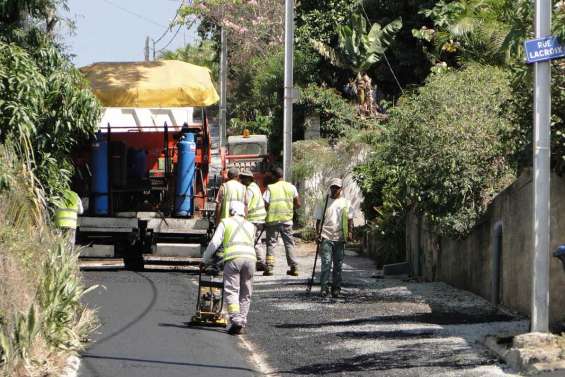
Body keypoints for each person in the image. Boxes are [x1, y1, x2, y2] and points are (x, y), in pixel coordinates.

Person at [202, 202, 256, 335]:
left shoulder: (225, 223)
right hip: (250, 260)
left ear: (231, 211)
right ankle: (242, 320)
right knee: (246, 292)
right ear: (243, 212)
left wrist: (205, 260)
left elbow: (215, 243)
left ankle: (236, 320)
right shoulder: (250, 225)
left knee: (232, 290)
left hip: (233, 259)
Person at [314, 178, 353, 298]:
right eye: (333, 187)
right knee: (326, 263)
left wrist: (350, 232)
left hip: (340, 237)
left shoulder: (346, 203)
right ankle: (324, 288)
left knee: (338, 265)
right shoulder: (323, 202)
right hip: (326, 236)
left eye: (337, 187)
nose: (335, 189)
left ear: (341, 189)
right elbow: (318, 220)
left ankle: (336, 289)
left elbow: (350, 219)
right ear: (330, 188)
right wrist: (317, 234)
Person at [263, 167, 301, 276]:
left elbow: (265, 204)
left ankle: (269, 268)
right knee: (289, 244)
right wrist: (289, 208)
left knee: (271, 244)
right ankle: (294, 267)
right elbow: (298, 204)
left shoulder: (270, 188)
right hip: (287, 220)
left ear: (274, 176)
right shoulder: (291, 187)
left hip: (273, 221)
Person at [240, 170, 267, 271]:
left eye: (243, 178)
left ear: (248, 179)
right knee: (257, 241)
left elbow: (247, 205)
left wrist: (243, 218)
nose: (241, 180)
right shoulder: (255, 187)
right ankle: (260, 262)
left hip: (253, 219)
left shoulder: (250, 190)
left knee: (252, 241)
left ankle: (256, 262)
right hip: (260, 219)